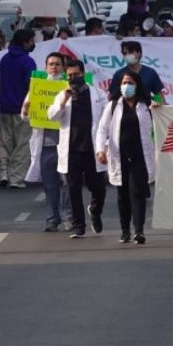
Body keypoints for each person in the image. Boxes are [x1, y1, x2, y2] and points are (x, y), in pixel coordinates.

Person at [48, 59, 108, 238]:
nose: (73, 79)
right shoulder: (62, 95)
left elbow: (106, 118)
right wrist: (63, 100)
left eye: (77, 75)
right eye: (70, 76)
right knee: (73, 188)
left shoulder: (97, 93)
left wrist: (104, 145)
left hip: (92, 148)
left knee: (98, 188)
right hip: (71, 149)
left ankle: (95, 211)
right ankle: (78, 226)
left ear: (83, 74)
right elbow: (52, 116)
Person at [95, 72, 157, 244]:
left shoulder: (147, 106)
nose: (126, 86)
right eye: (124, 83)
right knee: (123, 195)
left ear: (137, 85)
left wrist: (159, 108)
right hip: (119, 155)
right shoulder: (113, 106)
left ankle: (139, 230)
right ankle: (125, 230)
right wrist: (100, 150)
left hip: (140, 156)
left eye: (130, 82)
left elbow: (162, 121)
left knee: (138, 192)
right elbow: (102, 129)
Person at [25, 52, 71, 231]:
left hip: (65, 142)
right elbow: (27, 116)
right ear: (45, 68)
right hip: (46, 144)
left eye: (58, 64)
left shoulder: (68, 87)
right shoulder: (37, 87)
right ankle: (53, 218)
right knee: (50, 184)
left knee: (67, 182)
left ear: (63, 67)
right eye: (51, 64)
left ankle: (68, 216)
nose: (54, 67)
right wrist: (25, 110)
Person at [0, 29, 36, 189]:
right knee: (23, 143)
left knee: (6, 142)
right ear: (26, 42)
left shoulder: (5, 59)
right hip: (22, 107)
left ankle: (4, 173)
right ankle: (16, 178)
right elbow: (31, 86)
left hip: (5, 106)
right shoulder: (27, 61)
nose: (33, 44)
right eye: (32, 40)